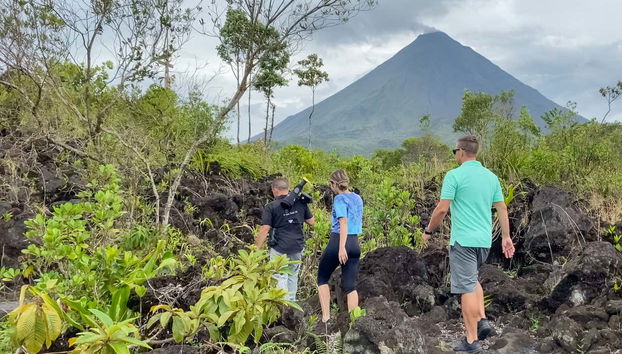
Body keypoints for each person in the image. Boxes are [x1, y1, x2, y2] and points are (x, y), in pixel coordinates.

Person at [423, 135, 515, 354]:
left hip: (463, 241)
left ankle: (471, 341)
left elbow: (442, 209)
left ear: (461, 151)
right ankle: (482, 321)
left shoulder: (454, 176)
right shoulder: (490, 177)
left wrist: (428, 231)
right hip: (484, 241)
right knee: (472, 280)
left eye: (455, 152)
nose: (455, 155)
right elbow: (502, 208)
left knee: (465, 289)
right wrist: (505, 237)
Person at [255, 177, 315, 302]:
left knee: (279, 275)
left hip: (279, 247)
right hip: (297, 245)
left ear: (274, 190)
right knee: (293, 275)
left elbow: (265, 229)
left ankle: (282, 303)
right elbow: (312, 221)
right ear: (287, 189)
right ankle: (291, 303)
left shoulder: (271, 206)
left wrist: (256, 249)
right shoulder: (300, 202)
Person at [317, 169, 364, 326]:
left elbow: (343, 222)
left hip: (339, 241)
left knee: (322, 278)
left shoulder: (339, 199)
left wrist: (341, 247)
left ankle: (326, 319)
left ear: (332, 184)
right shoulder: (357, 198)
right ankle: (354, 323)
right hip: (355, 243)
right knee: (350, 286)